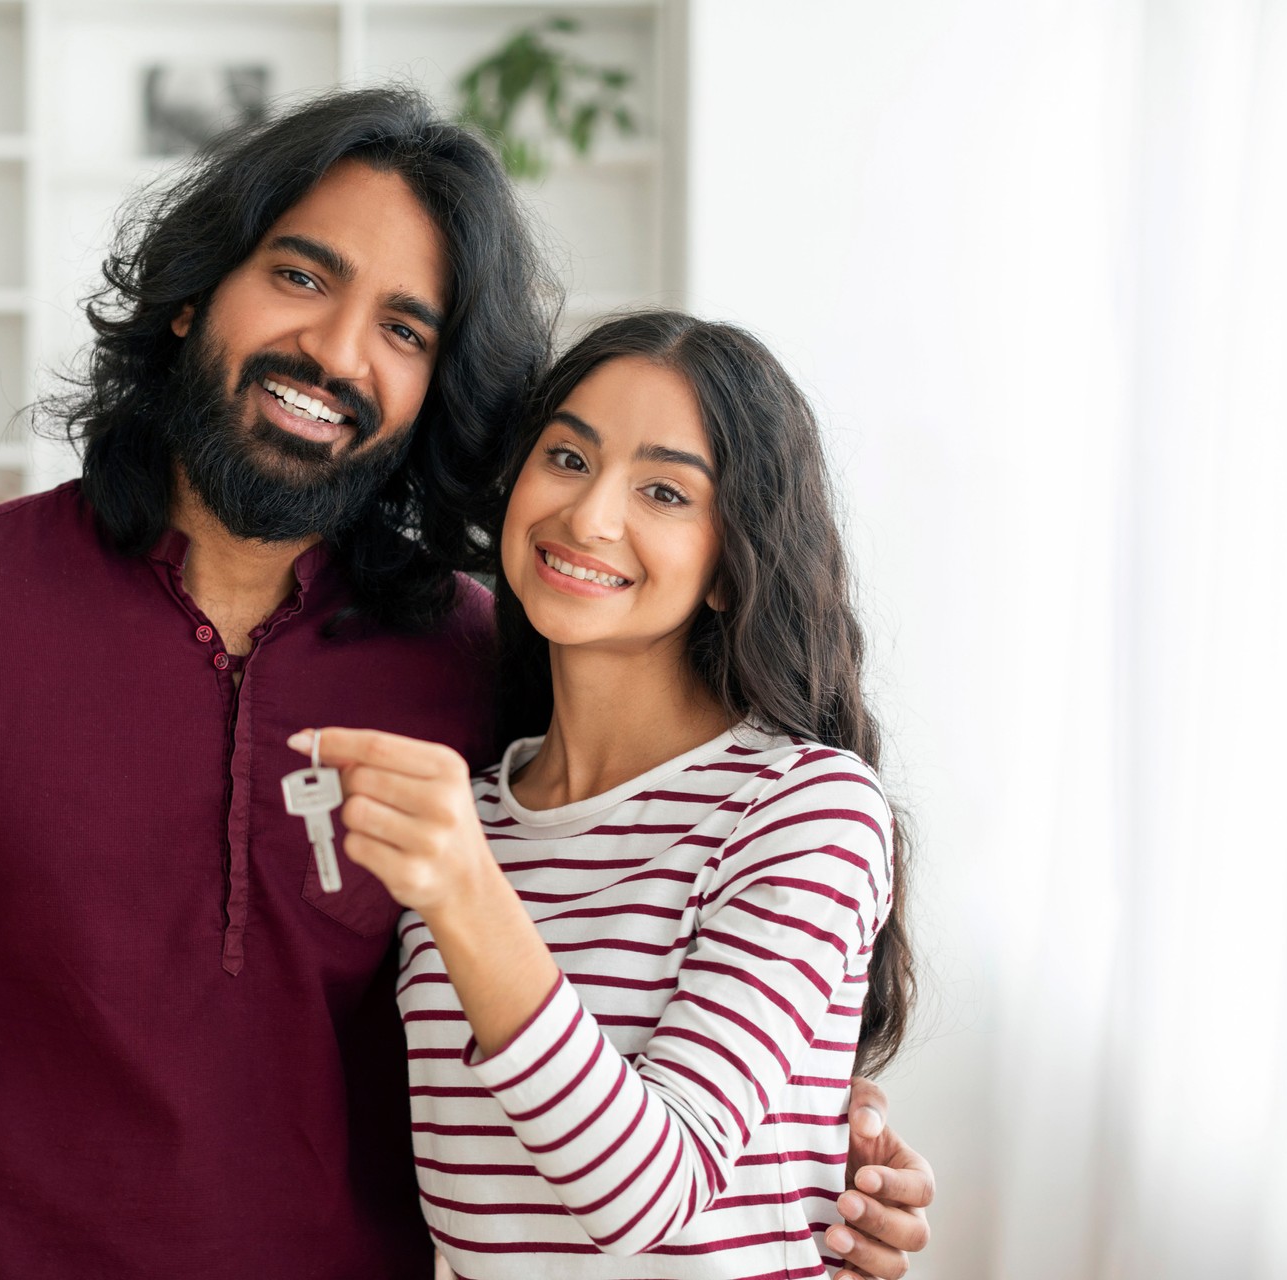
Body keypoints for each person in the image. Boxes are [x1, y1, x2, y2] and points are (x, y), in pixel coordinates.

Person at [0, 88, 930, 1278]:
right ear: (196, 293)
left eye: (405, 328)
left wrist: (820, 1157)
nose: (337, 351)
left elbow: (632, 972)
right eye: (302, 275)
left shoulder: (482, 661)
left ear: (433, 390)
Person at [298, 311, 921, 1278]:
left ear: (730, 567)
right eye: (568, 457)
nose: (590, 518)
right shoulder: (469, 813)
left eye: (665, 490)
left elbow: (649, 1197)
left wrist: (467, 895)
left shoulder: (805, 810)